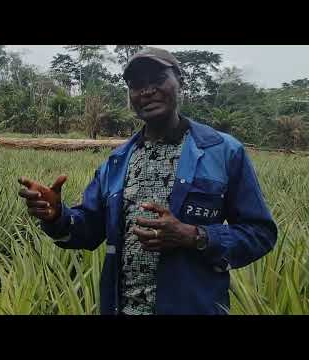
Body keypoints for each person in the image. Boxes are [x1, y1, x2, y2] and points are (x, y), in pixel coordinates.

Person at [17, 47, 278, 315]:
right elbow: (89, 228)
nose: (147, 90)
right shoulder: (117, 161)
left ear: (180, 81)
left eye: (157, 79)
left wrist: (194, 236)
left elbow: (260, 233)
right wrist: (57, 216)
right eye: (136, 84)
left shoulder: (223, 151)